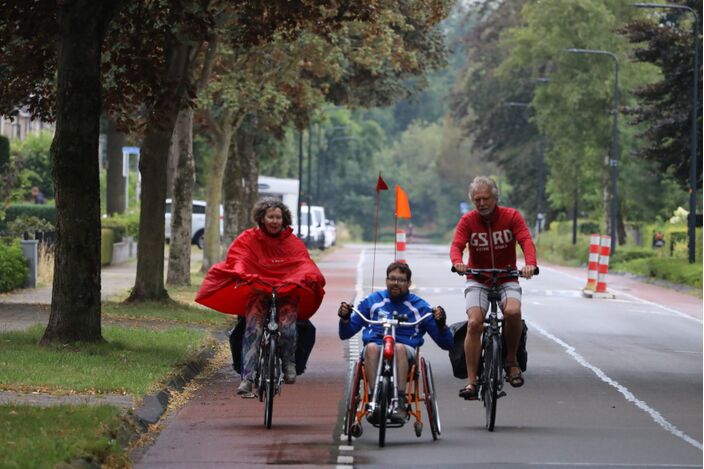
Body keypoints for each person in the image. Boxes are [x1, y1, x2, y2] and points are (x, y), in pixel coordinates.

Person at [195, 198, 325, 397]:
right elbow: (239, 257)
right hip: (259, 290)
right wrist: (242, 272)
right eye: (270, 217)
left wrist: (305, 276)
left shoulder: (292, 241)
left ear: (284, 219)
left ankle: (289, 363)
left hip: (287, 291)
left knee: (288, 325)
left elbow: (303, 262)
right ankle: (247, 377)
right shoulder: (248, 238)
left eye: (278, 217)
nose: (274, 221)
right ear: (262, 219)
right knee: (252, 328)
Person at [450, 176, 537, 400]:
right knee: (474, 323)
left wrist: (530, 264)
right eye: (477, 199)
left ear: (495, 198)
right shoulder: (468, 221)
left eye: (485, 198)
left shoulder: (511, 217)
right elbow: (457, 245)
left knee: (512, 312)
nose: (481, 203)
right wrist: (457, 262)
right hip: (478, 278)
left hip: (507, 276)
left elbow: (525, 240)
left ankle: (510, 361)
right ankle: (471, 381)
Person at [338, 261, 452, 423]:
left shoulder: (420, 307)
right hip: (376, 347)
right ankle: (373, 402)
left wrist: (441, 324)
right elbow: (346, 333)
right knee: (370, 347)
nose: (395, 283)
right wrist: (345, 318)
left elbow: (446, 344)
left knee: (398, 348)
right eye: (392, 279)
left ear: (409, 283)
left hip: (405, 350)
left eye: (401, 280)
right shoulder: (372, 301)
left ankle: (399, 402)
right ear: (386, 281)